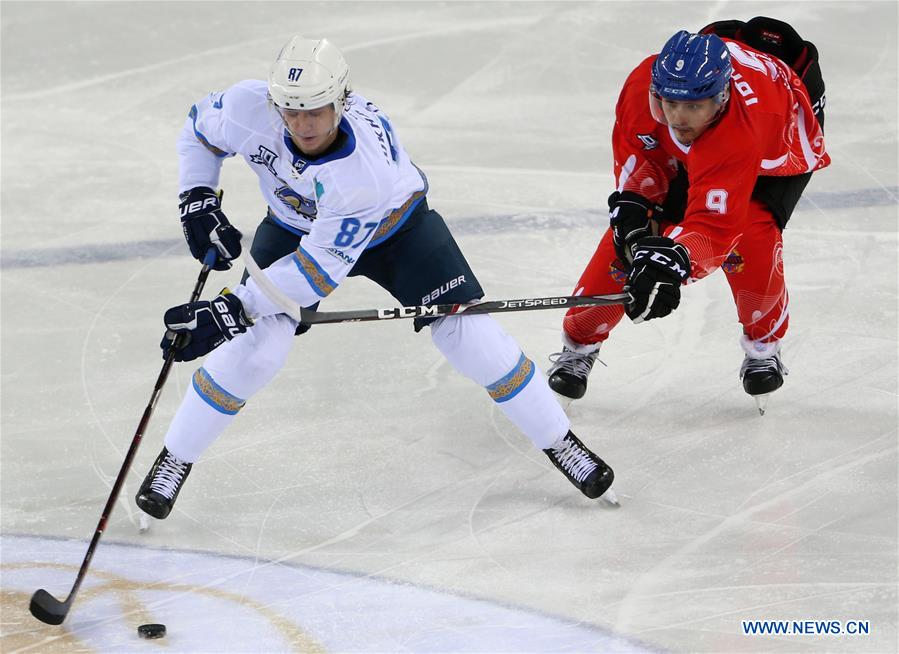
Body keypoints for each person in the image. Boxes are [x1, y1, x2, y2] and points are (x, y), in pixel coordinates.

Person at [136, 36, 614, 520]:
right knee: (257, 350)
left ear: (341, 100)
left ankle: (559, 442)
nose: (302, 125)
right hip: (295, 226)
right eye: (290, 111)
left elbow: (315, 273)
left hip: (397, 228)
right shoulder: (246, 105)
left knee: (471, 337)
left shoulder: (363, 173)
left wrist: (233, 307)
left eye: (315, 111)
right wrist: (196, 195)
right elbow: (198, 131)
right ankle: (175, 457)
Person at [547, 17, 830, 413]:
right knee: (635, 235)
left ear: (721, 98)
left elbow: (714, 229)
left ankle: (763, 343)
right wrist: (633, 225)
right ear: (655, 91)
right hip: (717, 131)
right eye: (670, 103)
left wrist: (672, 263)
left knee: (750, 230)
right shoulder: (640, 88)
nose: (679, 117)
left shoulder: (741, 128)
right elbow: (640, 171)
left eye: (693, 106)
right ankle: (581, 340)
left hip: (773, 148)